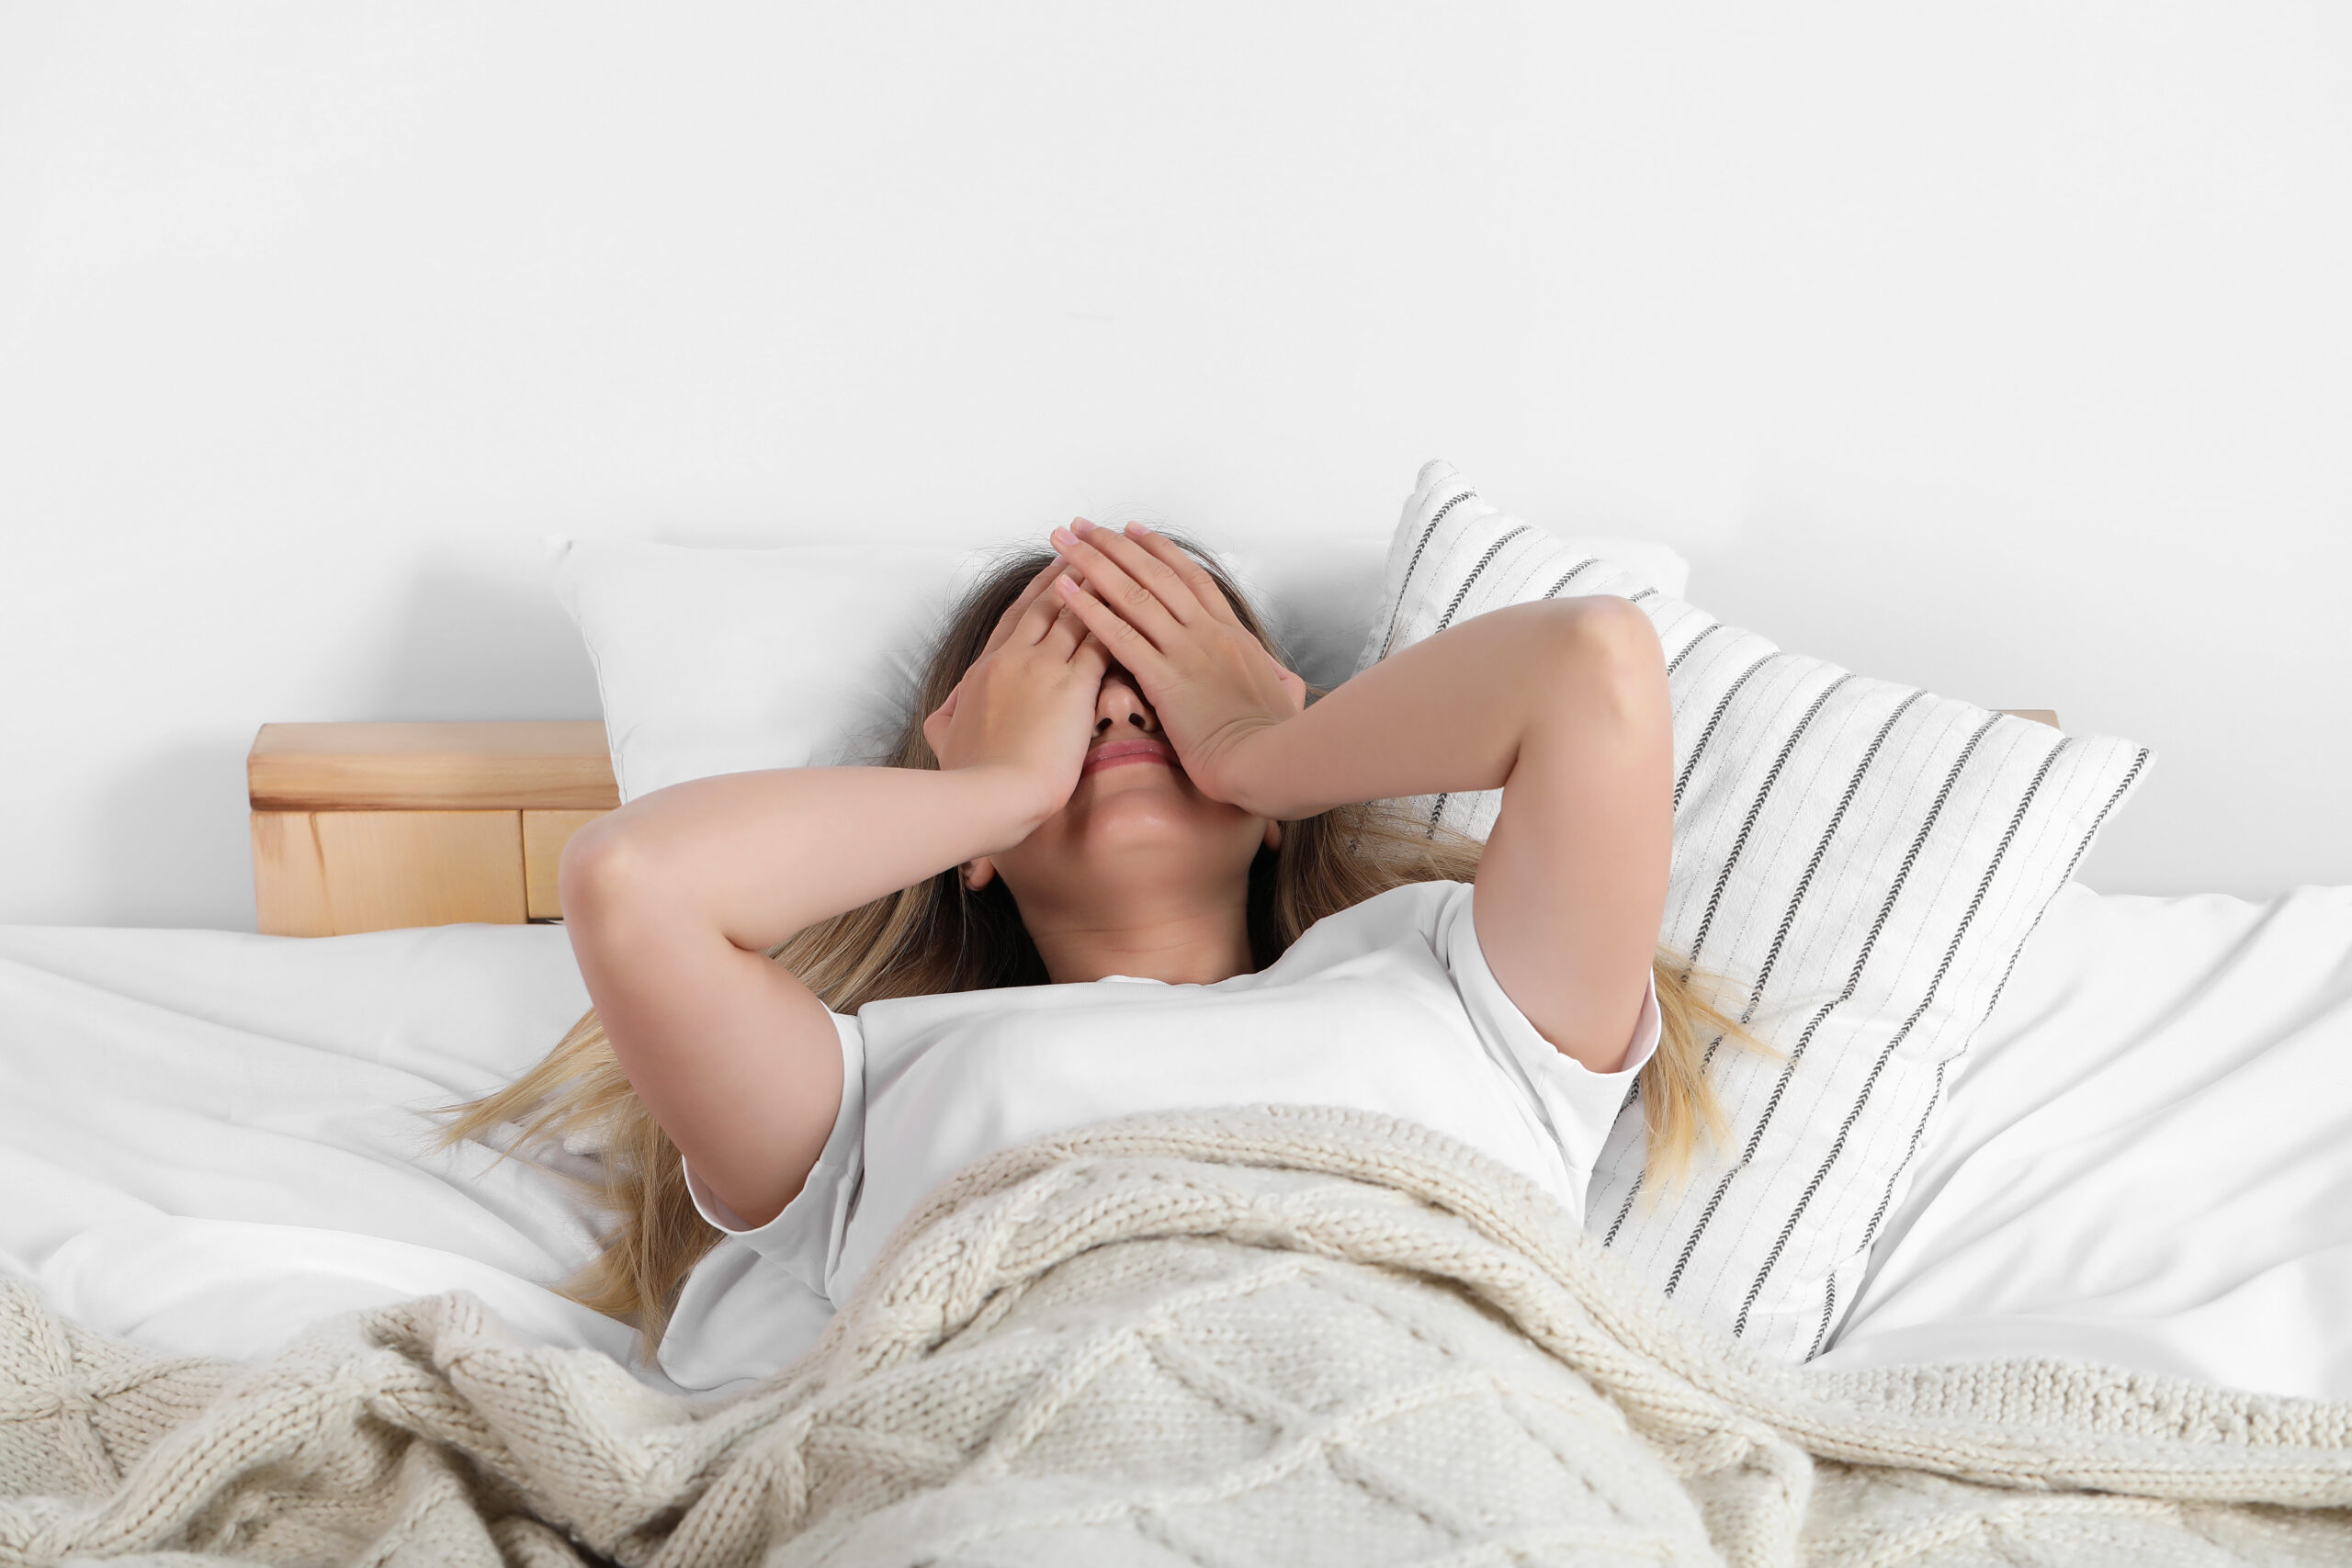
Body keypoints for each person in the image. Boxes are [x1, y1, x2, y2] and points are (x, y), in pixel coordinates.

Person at [443, 520, 1749, 1358]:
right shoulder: (864, 1084)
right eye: (1064, 687)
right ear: (963, 842)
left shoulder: (1466, 985)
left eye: (1162, 681)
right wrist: (992, 790)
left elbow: (1592, 666)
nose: (1120, 707)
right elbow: (632, 885)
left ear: (1280, 805)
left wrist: (1262, 747)